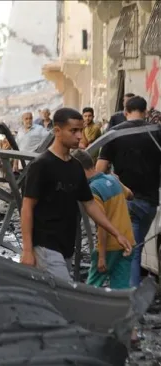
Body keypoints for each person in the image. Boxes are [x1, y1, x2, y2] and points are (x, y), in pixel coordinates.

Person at [20, 108, 132, 281]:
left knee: (55, 299)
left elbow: (90, 204)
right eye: (73, 131)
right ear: (57, 131)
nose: (79, 136)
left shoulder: (76, 167)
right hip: (45, 246)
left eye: (80, 130)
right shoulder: (41, 165)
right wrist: (27, 250)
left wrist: (116, 233)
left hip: (66, 246)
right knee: (66, 293)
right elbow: (27, 207)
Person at [96, 96, 161, 287]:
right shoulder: (157, 133)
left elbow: (99, 170)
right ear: (146, 111)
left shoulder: (115, 134)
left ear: (125, 113)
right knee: (135, 248)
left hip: (125, 201)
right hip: (150, 202)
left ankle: (129, 300)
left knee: (130, 251)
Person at [72, 149, 134, 289]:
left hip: (110, 246)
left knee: (92, 286)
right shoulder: (112, 179)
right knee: (121, 289)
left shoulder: (92, 190)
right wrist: (116, 181)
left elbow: (102, 225)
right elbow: (130, 195)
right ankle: (120, 311)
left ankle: (87, 311)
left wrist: (101, 256)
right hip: (128, 242)